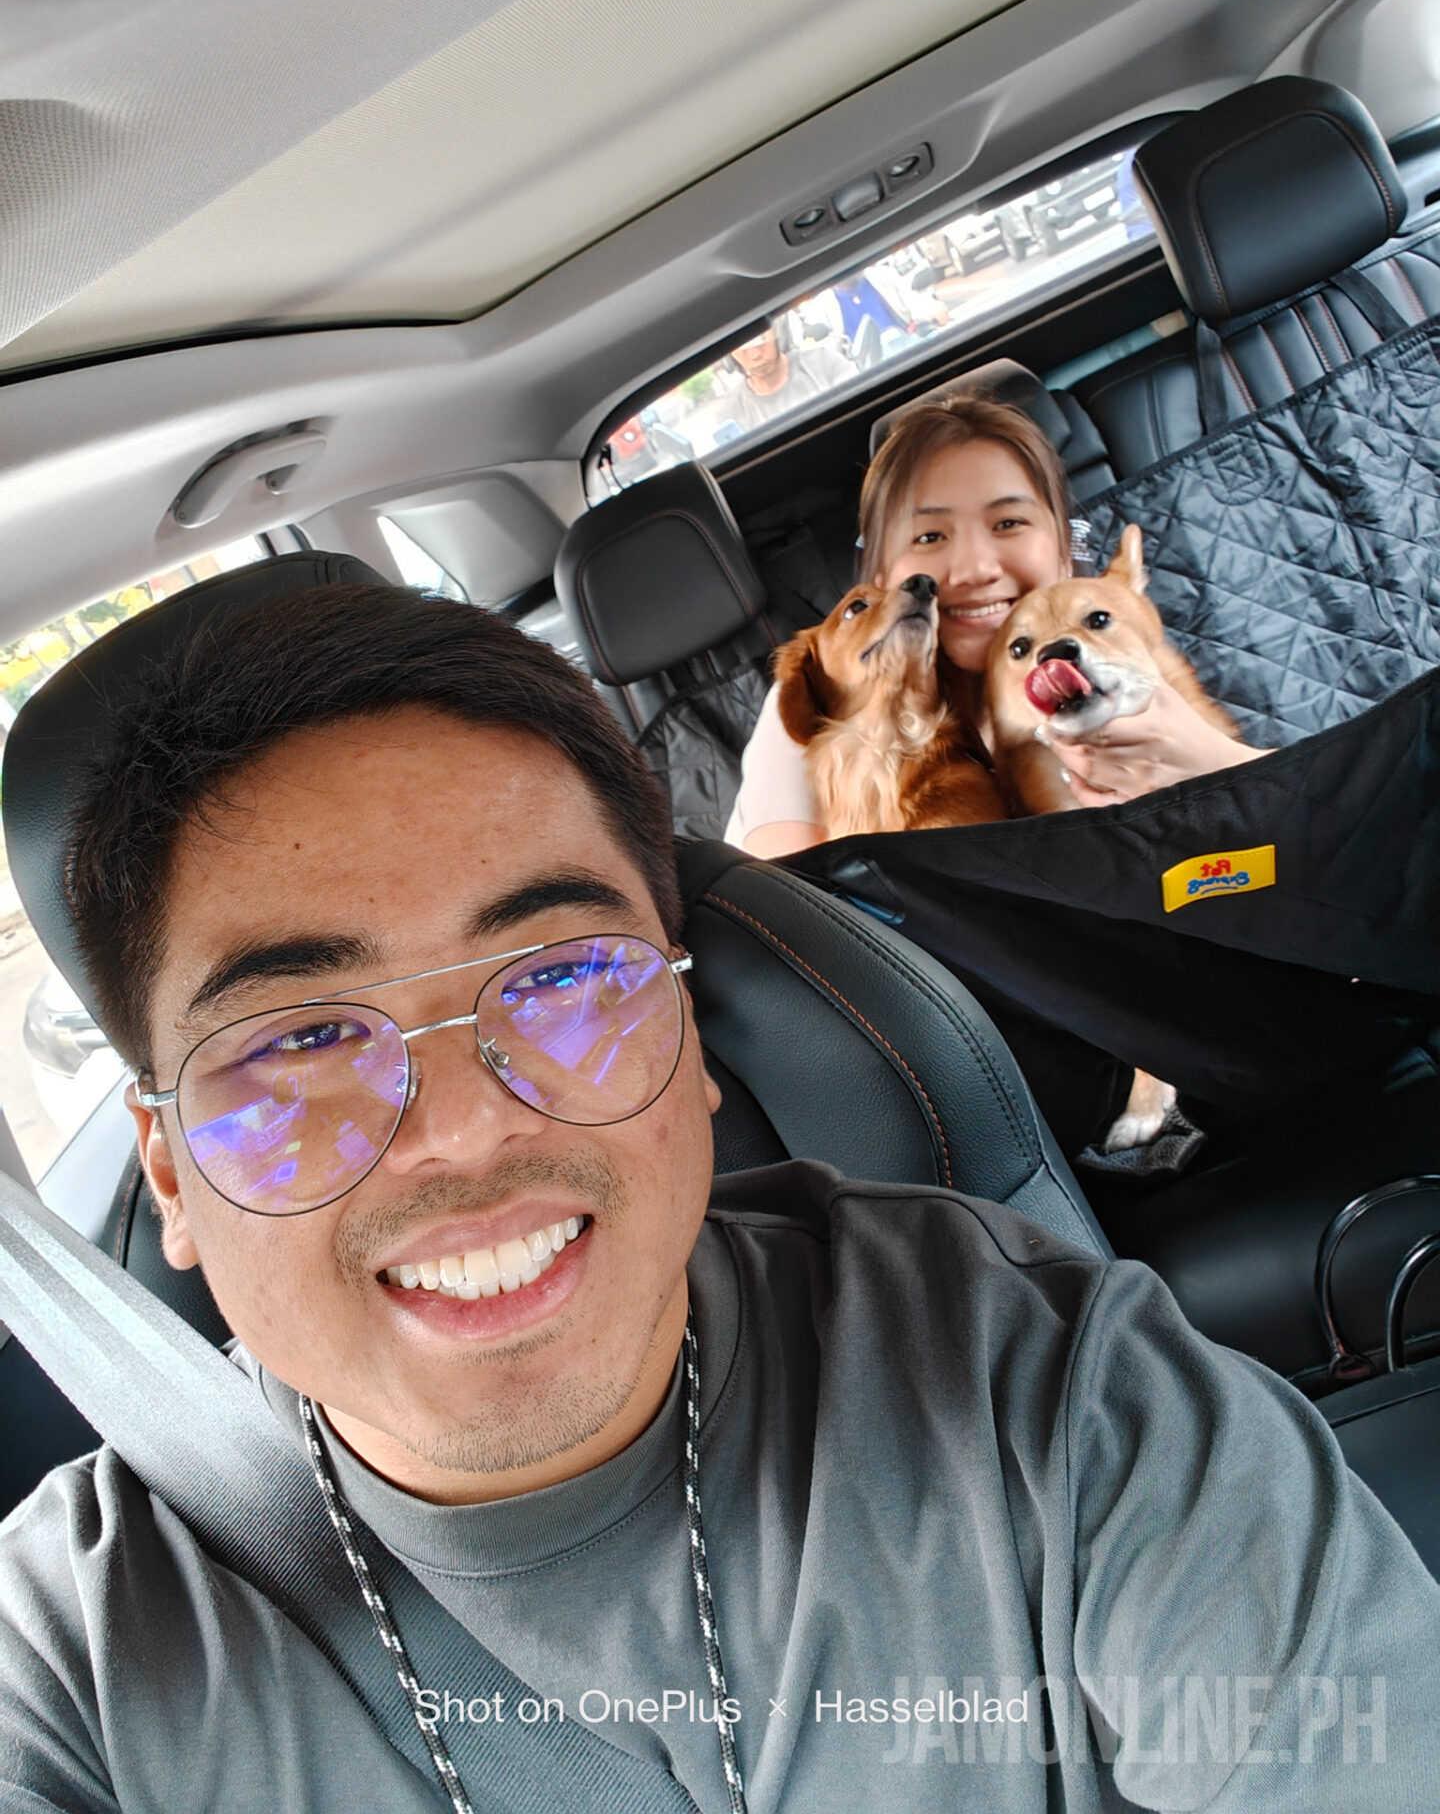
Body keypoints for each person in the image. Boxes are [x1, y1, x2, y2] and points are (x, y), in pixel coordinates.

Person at [1, 583, 1436, 1814]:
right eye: (305, 1037)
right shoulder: (73, 1659)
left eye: (562, 978)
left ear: (690, 1043)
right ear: (170, 1170)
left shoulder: (1032, 1384)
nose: (466, 1129)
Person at [726, 396, 1266, 857]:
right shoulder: (828, 699)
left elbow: (1276, 816)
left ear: (1064, 551)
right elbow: (796, 912)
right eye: (930, 537)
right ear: (885, 579)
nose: (976, 569)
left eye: (1008, 523)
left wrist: (1215, 762)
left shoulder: (1117, 659)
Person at [728, 322, 856, 434]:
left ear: (777, 332)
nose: (755, 355)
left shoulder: (826, 364)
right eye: (742, 349)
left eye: (761, 342)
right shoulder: (732, 413)